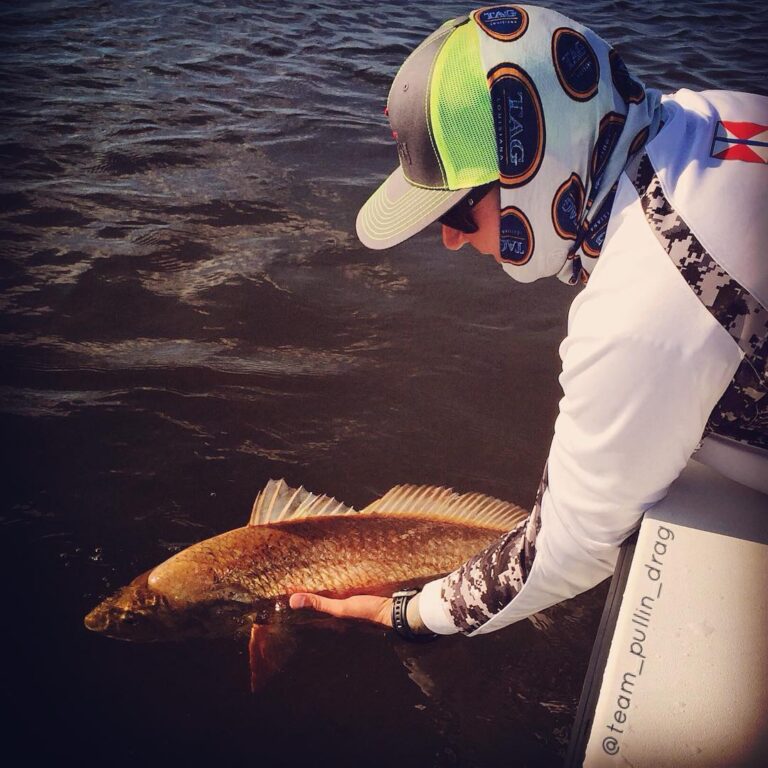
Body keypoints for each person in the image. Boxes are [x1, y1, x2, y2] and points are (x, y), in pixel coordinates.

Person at [290, 4, 767, 639]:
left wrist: (402, 610)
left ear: (529, 170)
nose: (452, 243)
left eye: (455, 213)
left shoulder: (637, 309)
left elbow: (564, 551)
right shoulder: (720, 115)